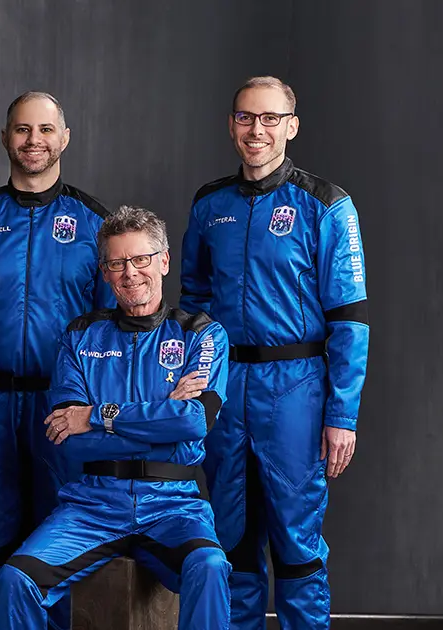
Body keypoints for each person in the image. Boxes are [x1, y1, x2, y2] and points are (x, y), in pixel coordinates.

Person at [180, 76, 369, 628]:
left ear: (291, 126)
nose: (256, 129)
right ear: (232, 125)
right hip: (224, 385)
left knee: (295, 537)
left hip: (296, 388)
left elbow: (350, 321)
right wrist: (196, 378)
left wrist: (341, 415)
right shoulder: (210, 204)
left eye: (268, 118)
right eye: (244, 117)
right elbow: (192, 302)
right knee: (229, 533)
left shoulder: (325, 205)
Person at [0, 205, 231, 630]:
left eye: (140, 259)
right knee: (16, 578)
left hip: (173, 504)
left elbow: (195, 423)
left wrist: (98, 415)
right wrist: (163, 418)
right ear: (104, 271)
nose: (130, 273)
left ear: (163, 261)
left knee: (210, 566)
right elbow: (70, 436)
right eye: (117, 263)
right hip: (92, 505)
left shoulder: (201, 333)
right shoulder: (80, 335)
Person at [0, 91, 114, 625]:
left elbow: (111, 334)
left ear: (64, 137)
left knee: (57, 536)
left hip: (61, 407)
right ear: (4, 138)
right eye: (22, 130)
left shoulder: (93, 222)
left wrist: (94, 415)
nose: (33, 141)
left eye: (45, 130)